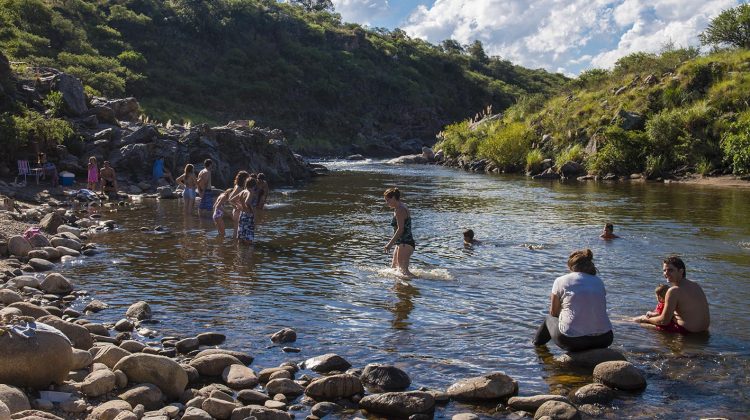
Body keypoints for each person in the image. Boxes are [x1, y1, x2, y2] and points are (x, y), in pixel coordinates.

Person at [533, 249, 613, 351]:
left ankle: (537, 346)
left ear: (570, 266)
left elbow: (553, 312)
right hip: (605, 339)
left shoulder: (560, 280)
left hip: (573, 341)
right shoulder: (598, 281)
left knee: (549, 319)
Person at [635, 256, 710, 334]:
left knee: (640, 322)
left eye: (670, 270)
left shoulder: (674, 291)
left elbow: (663, 321)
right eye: (664, 270)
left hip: (686, 332)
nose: (666, 273)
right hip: (704, 332)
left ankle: (623, 323)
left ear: (681, 271)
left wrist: (645, 319)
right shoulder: (696, 285)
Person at [384, 187, 415, 278]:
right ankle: (399, 290)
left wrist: (389, 244)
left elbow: (400, 229)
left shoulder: (400, 210)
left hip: (405, 243)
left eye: (388, 200)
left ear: (393, 198)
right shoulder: (400, 207)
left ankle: (424, 284)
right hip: (401, 243)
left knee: (403, 272)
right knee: (394, 269)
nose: (387, 203)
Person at [228, 171, 250, 239]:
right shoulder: (238, 188)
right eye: (247, 178)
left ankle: (235, 246)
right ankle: (235, 246)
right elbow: (230, 199)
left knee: (237, 230)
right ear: (243, 179)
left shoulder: (237, 186)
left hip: (236, 211)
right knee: (237, 231)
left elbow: (230, 198)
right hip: (237, 212)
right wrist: (238, 206)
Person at [237, 177, 257, 245]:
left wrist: (240, 207)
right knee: (249, 239)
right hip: (248, 216)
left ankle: (240, 254)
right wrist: (252, 211)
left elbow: (232, 200)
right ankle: (248, 254)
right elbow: (247, 202)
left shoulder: (243, 191)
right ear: (253, 185)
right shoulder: (250, 192)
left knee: (241, 237)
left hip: (242, 215)